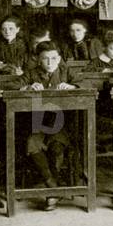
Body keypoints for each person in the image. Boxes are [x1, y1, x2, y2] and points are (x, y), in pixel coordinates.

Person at [20, 42, 76, 211]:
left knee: (57, 147)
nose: (50, 62)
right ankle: (53, 186)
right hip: (38, 124)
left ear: (59, 59)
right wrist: (27, 87)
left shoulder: (66, 72)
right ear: (38, 60)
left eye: (53, 58)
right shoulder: (31, 74)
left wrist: (72, 87)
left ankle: (52, 189)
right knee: (32, 144)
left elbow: (86, 85)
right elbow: (13, 85)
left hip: (62, 124)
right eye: (45, 59)